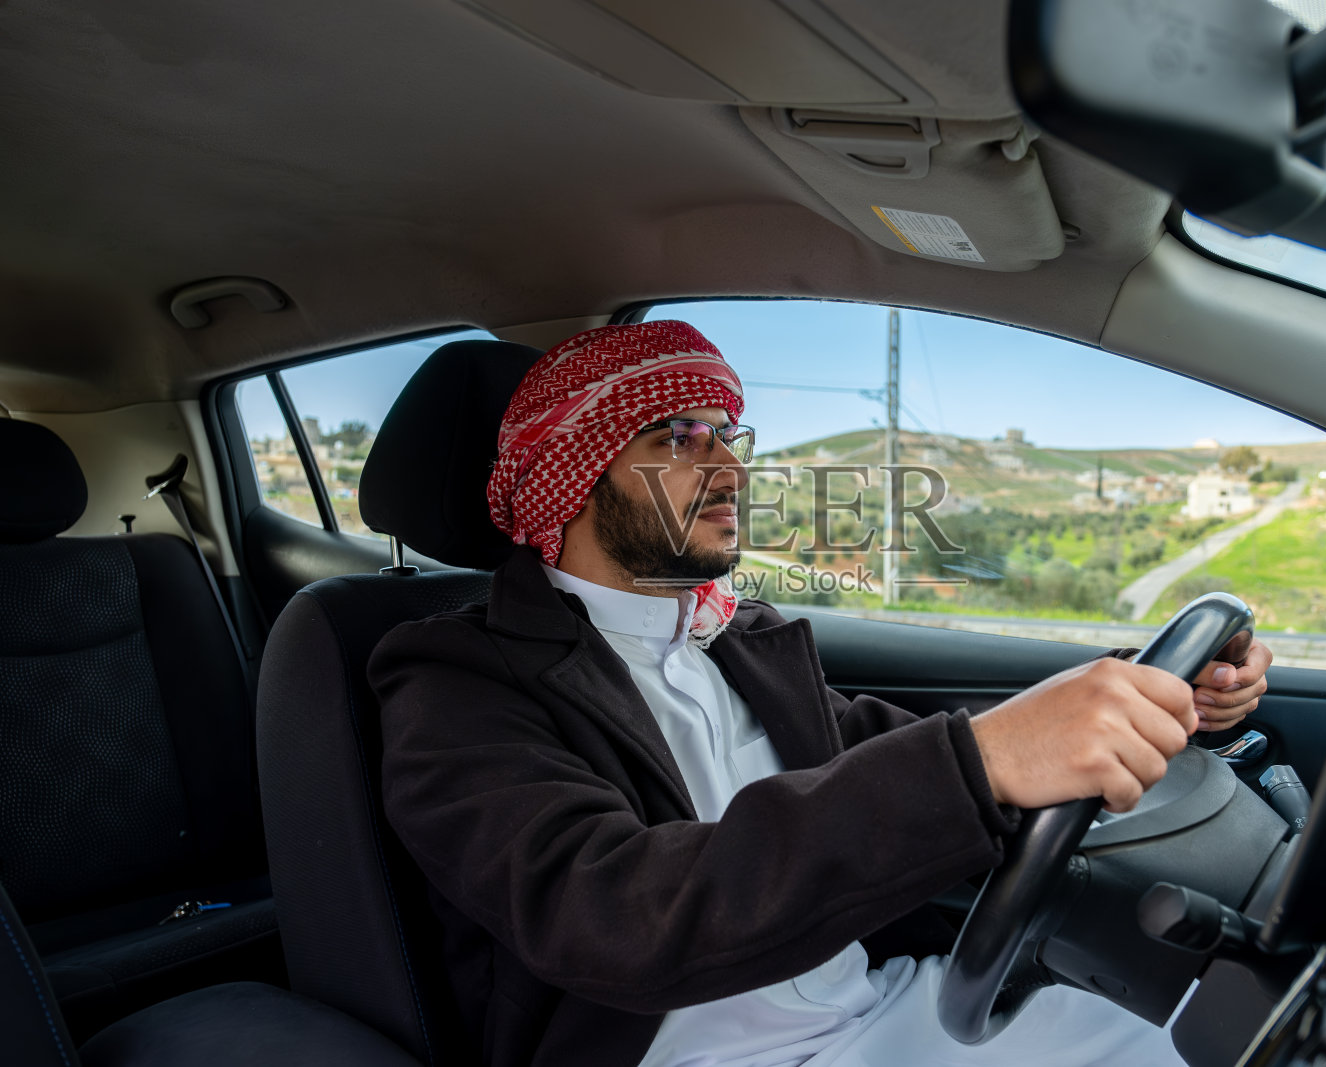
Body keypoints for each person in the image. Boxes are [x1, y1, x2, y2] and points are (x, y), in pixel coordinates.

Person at [372, 320, 1273, 1067]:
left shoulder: (742, 640)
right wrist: (983, 761)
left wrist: (1139, 692)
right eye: (680, 437)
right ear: (574, 472)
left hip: (882, 1010)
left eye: (729, 433)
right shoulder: (459, 681)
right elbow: (610, 912)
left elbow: (908, 755)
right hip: (694, 1058)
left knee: (1218, 1033)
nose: (729, 467)